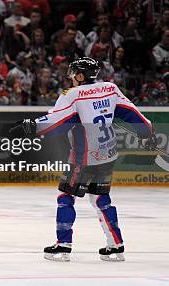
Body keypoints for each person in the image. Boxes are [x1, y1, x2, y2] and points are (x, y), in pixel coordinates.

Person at [10, 57, 156, 262]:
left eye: (73, 74)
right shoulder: (110, 88)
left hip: (83, 157)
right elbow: (131, 112)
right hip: (107, 154)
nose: (70, 78)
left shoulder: (73, 94)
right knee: (101, 199)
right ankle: (116, 246)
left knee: (66, 197)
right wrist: (146, 131)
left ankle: (62, 246)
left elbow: (56, 122)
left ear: (80, 75)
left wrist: (30, 126)